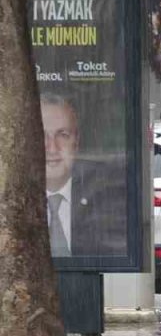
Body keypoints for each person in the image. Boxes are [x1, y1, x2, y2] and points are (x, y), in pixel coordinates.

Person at [41, 92, 127, 257]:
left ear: (77, 142)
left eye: (63, 135)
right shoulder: (10, 203)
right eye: (41, 135)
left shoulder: (105, 196)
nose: (52, 148)